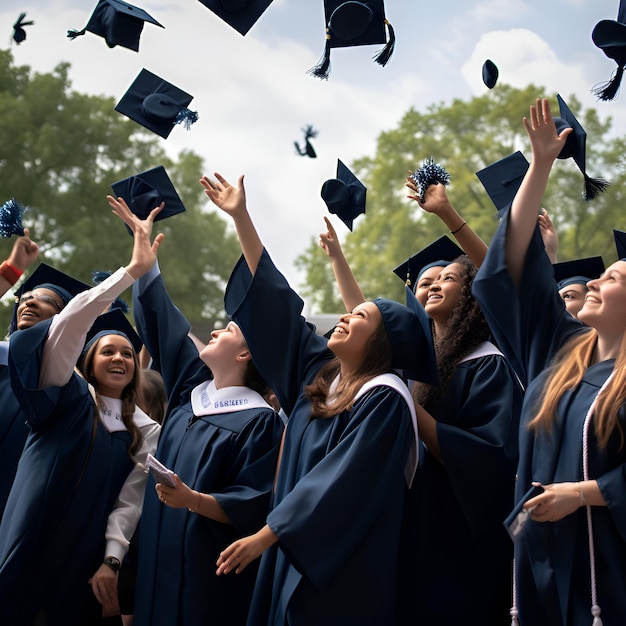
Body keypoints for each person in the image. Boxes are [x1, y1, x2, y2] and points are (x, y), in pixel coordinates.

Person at [202, 172, 437, 624]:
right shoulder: (321, 377)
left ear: (382, 341)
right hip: (288, 552)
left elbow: (343, 480)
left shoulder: (384, 398)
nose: (346, 318)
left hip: (341, 570)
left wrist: (268, 534)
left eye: (361, 316)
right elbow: (277, 309)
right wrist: (241, 218)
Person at [320, 214, 522, 624]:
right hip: (413, 517)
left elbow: (488, 457)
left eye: (448, 278)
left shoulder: (486, 364)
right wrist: (339, 259)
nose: (432, 283)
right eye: (425, 282)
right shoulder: (418, 371)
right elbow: (369, 323)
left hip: (458, 530)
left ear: (473, 294)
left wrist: (403, 400)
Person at [472, 97, 626, 625]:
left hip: (608, 576)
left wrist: (585, 494)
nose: (600, 279)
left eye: (616, 277)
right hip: (537, 571)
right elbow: (511, 268)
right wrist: (539, 166)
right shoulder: (559, 352)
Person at [113, 193, 284, 626]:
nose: (212, 329)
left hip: (206, 578)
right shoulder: (193, 388)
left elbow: (253, 502)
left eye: (227, 329)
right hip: (154, 564)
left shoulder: (259, 423)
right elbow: (165, 324)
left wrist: (193, 500)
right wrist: (145, 258)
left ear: (248, 355)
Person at [0, 201, 164, 626]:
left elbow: (131, 501)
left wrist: (111, 558)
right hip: (29, 533)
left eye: (127, 353)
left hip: (83, 553)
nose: (119, 358)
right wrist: (130, 272)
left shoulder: (145, 430)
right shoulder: (65, 394)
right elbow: (71, 322)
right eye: (107, 350)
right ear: (86, 362)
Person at [0, 228, 41, 519]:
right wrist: (12, 270)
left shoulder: (72, 388)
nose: (30, 302)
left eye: (45, 299)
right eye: (25, 298)